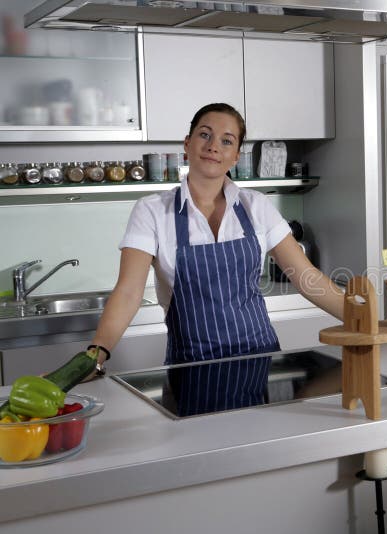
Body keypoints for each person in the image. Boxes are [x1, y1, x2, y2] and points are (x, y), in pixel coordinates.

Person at [87, 103, 344, 409]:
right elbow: (128, 292)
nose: (213, 147)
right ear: (187, 144)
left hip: (260, 361)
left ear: (236, 156)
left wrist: (367, 321)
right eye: (204, 135)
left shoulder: (256, 207)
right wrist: (95, 355)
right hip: (191, 370)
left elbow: (306, 277)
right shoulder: (153, 211)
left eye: (226, 140)